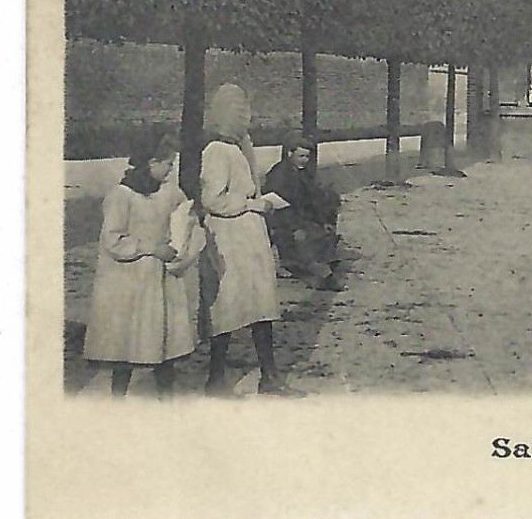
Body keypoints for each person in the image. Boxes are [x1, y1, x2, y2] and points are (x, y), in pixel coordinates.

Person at [83, 131, 207, 398]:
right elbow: (113, 240)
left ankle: (166, 399)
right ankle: (118, 399)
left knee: (164, 343)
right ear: (150, 163)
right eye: (167, 164)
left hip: (160, 280)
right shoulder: (121, 195)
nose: (171, 170)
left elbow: (184, 215)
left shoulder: (169, 192)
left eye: (173, 164)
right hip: (130, 280)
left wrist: (188, 225)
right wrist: (151, 249)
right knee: (128, 345)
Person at [198, 83, 301, 397]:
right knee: (229, 308)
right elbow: (213, 200)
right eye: (242, 113)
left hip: (247, 237)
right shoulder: (217, 151)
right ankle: (216, 380)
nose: (247, 118)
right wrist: (253, 204)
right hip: (230, 239)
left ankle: (268, 376)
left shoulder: (237, 148)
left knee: (260, 305)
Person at [261, 131, 345, 292]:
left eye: (307, 157)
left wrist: (324, 217)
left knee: (325, 221)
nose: (305, 160)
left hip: (298, 216)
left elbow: (311, 199)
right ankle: (317, 272)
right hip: (283, 219)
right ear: (289, 153)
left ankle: (320, 266)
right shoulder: (279, 174)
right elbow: (276, 204)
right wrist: (297, 226)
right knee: (307, 236)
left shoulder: (302, 173)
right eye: (301, 156)